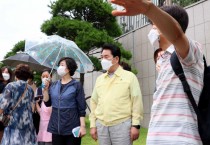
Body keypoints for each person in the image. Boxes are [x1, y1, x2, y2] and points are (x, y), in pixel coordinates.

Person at [111, 1, 204, 144]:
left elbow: (177, 36)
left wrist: (148, 9)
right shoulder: (164, 59)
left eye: (154, 24)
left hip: (180, 140)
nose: (152, 30)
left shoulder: (191, 53)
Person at [89, 44, 143, 145]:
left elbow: (136, 101)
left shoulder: (130, 77)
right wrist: (93, 125)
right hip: (101, 125)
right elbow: (94, 102)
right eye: (101, 57)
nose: (102, 60)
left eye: (106, 57)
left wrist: (135, 125)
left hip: (122, 125)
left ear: (116, 58)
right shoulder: (99, 79)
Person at [43, 57, 86, 145]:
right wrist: (45, 90)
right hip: (56, 128)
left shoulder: (76, 85)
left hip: (72, 128)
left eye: (62, 65)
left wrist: (83, 126)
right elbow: (47, 103)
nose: (59, 67)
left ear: (68, 69)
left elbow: (81, 108)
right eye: (59, 65)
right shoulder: (54, 85)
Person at [0, 64, 37, 145]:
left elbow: (2, 105)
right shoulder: (30, 88)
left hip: (14, 125)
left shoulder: (11, 86)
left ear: (16, 74)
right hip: (27, 125)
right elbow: (32, 107)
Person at [35, 69, 52, 145]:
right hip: (41, 118)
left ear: (50, 77)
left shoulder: (53, 88)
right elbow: (36, 102)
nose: (45, 78)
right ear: (41, 78)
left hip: (51, 118)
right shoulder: (38, 89)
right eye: (43, 76)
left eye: (47, 76)